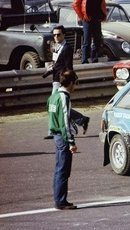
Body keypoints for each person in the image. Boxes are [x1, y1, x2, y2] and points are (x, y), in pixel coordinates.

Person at [43, 25, 89, 140]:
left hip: (61, 80)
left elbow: (69, 66)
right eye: (54, 35)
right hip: (55, 78)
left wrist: (71, 79)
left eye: (58, 34)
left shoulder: (67, 48)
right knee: (57, 105)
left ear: (64, 35)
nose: (56, 37)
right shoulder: (56, 47)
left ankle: (52, 131)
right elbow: (56, 62)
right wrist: (51, 69)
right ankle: (81, 119)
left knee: (53, 105)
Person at [47, 69, 79, 210]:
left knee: (59, 169)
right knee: (63, 170)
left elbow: (49, 109)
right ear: (71, 83)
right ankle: (60, 201)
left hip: (56, 135)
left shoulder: (53, 96)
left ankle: (59, 198)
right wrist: (71, 141)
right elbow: (65, 121)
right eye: (75, 83)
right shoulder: (64, 97)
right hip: (62, 136)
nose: (75, 86)